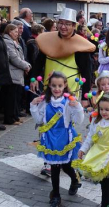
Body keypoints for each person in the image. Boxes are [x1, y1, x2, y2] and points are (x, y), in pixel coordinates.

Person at [30, 71, 84, 207]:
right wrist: (33, 105)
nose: (57, 89)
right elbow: (38, 119)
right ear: (49, 86)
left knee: (66, 166)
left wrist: (77, 107)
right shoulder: (45, 101)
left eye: (60, 85)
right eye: (53, 86)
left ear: (65, 85)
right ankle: (56, 195)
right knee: (54, 167)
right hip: (50, 138)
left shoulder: (68, 101)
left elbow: (79, 121)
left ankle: (74, 179)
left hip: (65, 138)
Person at [31, 8, 95, 108]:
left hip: (70, 92)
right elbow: (39, 61)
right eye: (60, 23)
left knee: (66, 122)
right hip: (49, 89)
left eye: (67, 24)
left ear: (74, 25)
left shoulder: (80, 45)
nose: (63, 27)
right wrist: (34, 78)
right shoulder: (49, 40)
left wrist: (85, 98)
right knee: (46, 119)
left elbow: (86, 72)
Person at [3, 24, 31, 125]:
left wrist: (26, 65)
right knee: (11, 98)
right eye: (15, 31)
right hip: (13, 73)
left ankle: (14, 116)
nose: (17, 33)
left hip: (17, 72)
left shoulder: (14, 41)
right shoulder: (8, 42)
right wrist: (26, 66)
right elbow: (14, 58)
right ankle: (10, 118)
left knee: (15, 97)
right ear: (10, 32)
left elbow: (20, 56)